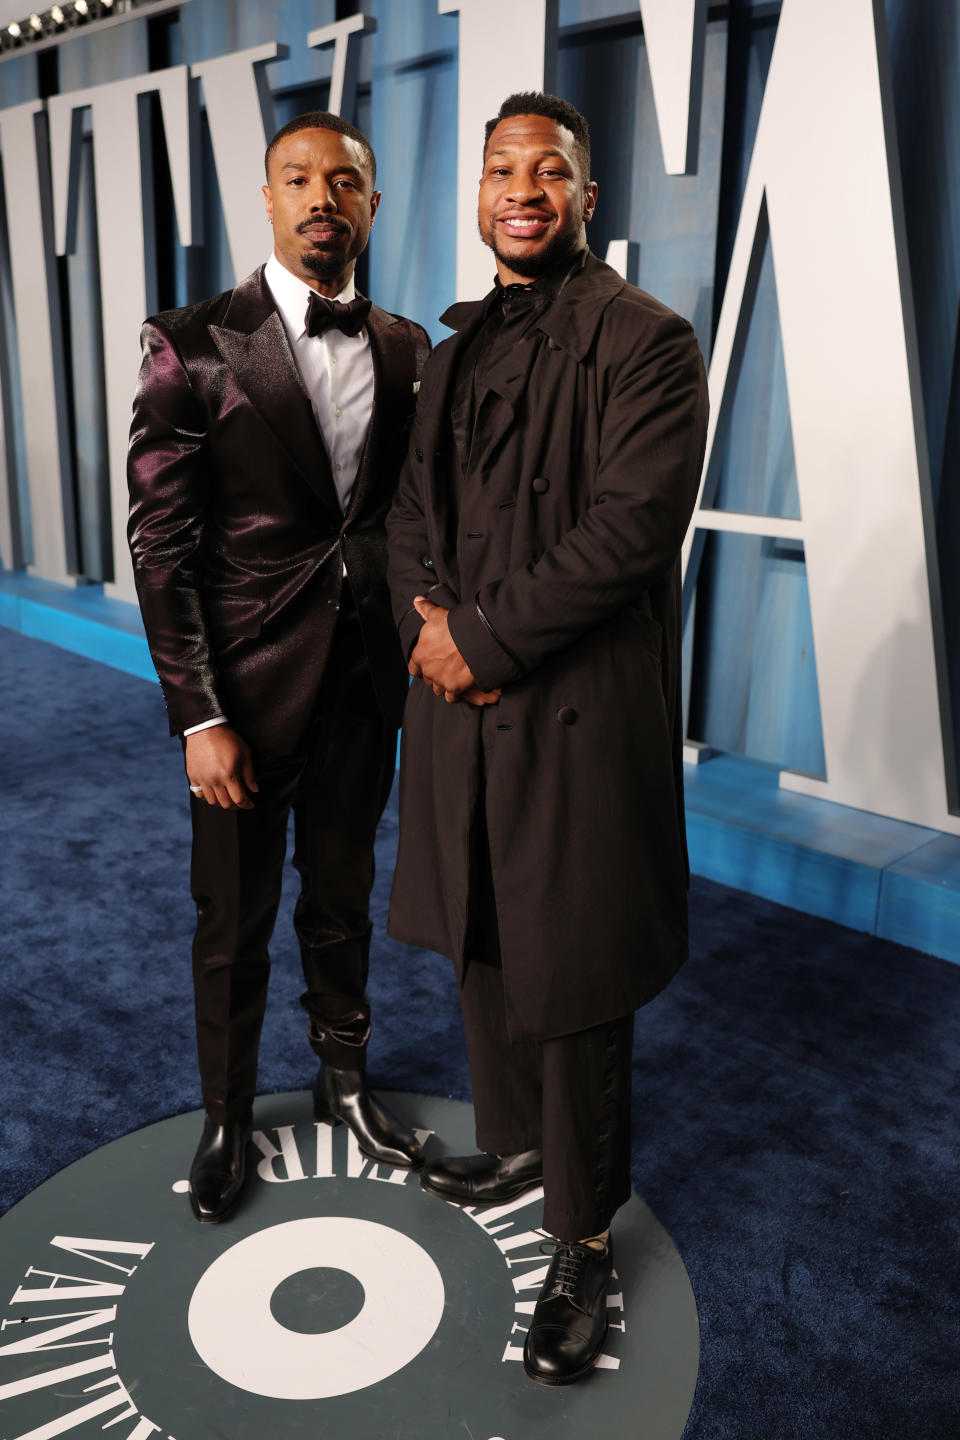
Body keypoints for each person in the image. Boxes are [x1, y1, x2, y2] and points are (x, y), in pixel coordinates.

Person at [386, 92, 708, 1385]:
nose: (523, 188)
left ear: (586, 196)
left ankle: (579, 1237)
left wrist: (482, 641)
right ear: (478, 194)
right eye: (502, 169)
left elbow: (629, 530)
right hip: (458, 704)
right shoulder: (453, 351)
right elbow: (413, 506)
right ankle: (520, 1144)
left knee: (574, 981)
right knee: (484, 939)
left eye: (551, 170)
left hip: (572, 714)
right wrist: (425, 622)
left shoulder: (650, 341)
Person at [127, 110, 429, 1224]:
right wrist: (199, 716)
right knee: (233, 917)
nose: (320, 198)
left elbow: (407, 520)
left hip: (362, 684)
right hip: (243, 698)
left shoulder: (406, 347)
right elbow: (161, 547)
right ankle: (226, 1115)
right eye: (296, 178)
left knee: (342, 902)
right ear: (265, 198)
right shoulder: (193, 341)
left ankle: (345, 1085)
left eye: (342, 180)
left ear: (370, 203)